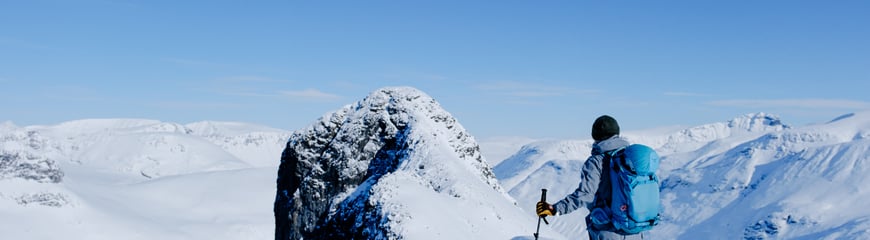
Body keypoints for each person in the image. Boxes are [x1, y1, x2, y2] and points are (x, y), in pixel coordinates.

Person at [536, 115, 645, 240]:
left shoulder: (597, 161)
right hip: (635, 229)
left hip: (609, 230)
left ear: (595, 135)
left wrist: (555, 208)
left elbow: (585, 194)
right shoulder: (632, 159)